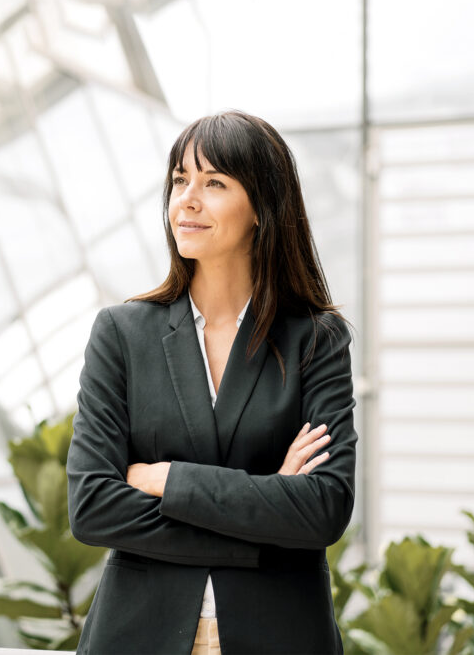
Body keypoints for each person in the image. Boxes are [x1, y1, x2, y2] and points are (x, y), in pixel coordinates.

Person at [66, 109, 358, 654]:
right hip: (136, 637)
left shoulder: (316, 339)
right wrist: (268, 511)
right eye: (180, 180)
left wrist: (168, 478)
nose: (188, 200)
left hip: (281, 636)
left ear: (261, 208)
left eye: (215, 182)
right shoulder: (122, 334)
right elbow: (93, 505)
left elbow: (323, 509)